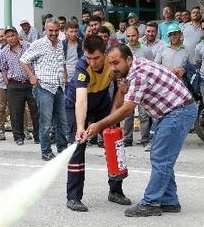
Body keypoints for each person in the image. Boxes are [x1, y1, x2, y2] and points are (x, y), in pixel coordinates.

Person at [84, 45, 197, 217]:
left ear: (128, 59)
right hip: (170, 112)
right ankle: (169, 200)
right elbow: (121, 98)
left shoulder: (138, 73)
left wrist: (99, 125)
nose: (113, 67)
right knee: (163, 157)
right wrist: (119, 89)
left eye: (116, 63)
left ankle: (151, 202)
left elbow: (128, 109)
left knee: (160, 157)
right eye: (111, 64)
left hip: (177, 112)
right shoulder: (131, 70)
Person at [65, 36, 132, 212]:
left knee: (114, 142)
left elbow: (120, 91)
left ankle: (116, 191)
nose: (92, 62)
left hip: (102, 103)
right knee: (78, 147)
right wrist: (80, 127)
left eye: (96, 58)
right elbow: (81, 100)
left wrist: (111, 119)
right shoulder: (81, 67)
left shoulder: (113, 62)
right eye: (88, 57)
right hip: (78, 106)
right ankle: (73, 197)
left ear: (104, 53)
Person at [21, 20, 69, 161]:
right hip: (44, 87)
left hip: (59, 87)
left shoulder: (60, 43)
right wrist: (31, 77)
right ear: (45, 29)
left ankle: (62, 149)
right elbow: (23, 60)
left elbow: (62, 61)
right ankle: (46, 151)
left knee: (62, 121)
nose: (53, 33)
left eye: (56, 30)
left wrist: (65, 75)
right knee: (46, 123)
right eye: (51, 31)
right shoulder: (38, 44)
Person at [0, 28, 39, 145]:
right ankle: (18, 137)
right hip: (14, 85)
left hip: (30, 83)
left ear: (17, 35)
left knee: (35, 110)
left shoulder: (28, 46)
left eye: (13, 35)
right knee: (16, 112)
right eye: (8, 36)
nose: (11, 38)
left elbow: (36, 60)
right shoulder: (4, 52)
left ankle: (38, 136)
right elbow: (3, 69)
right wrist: (7, 83)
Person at [121, 25, 153, 147]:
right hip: (129, 85)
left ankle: (145, 139)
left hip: (143, 86)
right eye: (128, 36)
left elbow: (151, 67)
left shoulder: (146, 50)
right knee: (127, 113)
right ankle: (127, 139)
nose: (131, 38)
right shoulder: (123, 50)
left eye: (133, 35)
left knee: (144, 114)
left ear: (138, 36)